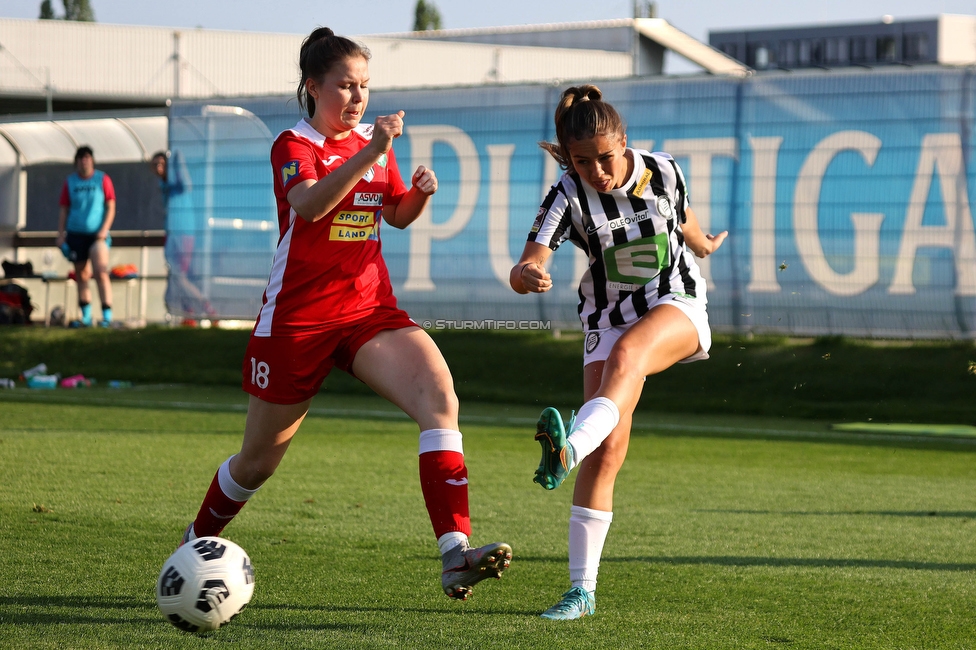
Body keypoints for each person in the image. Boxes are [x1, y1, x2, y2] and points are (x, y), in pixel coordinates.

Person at [179, 26, 512, 601]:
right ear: (313, 86)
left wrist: (421, 194)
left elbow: (398, 215)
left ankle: (455, 553)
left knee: (439, 397)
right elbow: (308, 205)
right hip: (296, 322)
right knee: (256, 464)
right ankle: (193, 546)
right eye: (345, 86)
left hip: (367, 311)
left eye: (365, 86)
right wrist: (372, 152)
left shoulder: (371, 144)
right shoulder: (294, 143)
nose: (357, 99)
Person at [510, 84, 727, 620]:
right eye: (582, 161)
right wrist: (528, 274)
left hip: (676, 301)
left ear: (624, 142)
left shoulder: (665, 170)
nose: (597, 171)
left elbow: (687, 223)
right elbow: (527, 262)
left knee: (629, 356)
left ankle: (567, 450)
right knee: (609, 451)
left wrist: (704, 246)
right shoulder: (567, 193)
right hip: (605, 318)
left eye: (605, 158)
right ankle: (581, 592)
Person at [151, 150, 217, 323]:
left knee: (180, 277)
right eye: (155, 164)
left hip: (184, 233)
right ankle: (190, 314)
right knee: (176, 276)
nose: (158, 168)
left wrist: (178, 161)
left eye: (161, 163)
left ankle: (209, 310)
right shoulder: (162, 184)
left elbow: (187, 184)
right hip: (171, 234)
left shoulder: (177, 182)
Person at [56, 145, 115, 327]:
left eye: (87, 157)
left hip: (97, 235)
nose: (84, 161)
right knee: (81, 275)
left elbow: (111, 206)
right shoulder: (70, 182)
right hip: (75, 234)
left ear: (92, 160)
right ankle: (86, 317)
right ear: (77, 162)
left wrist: (104, 229)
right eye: (81, 158)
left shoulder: (102, 179)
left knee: (100, 271)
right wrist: (61, 235)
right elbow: (64, 209)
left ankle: (106, 316)